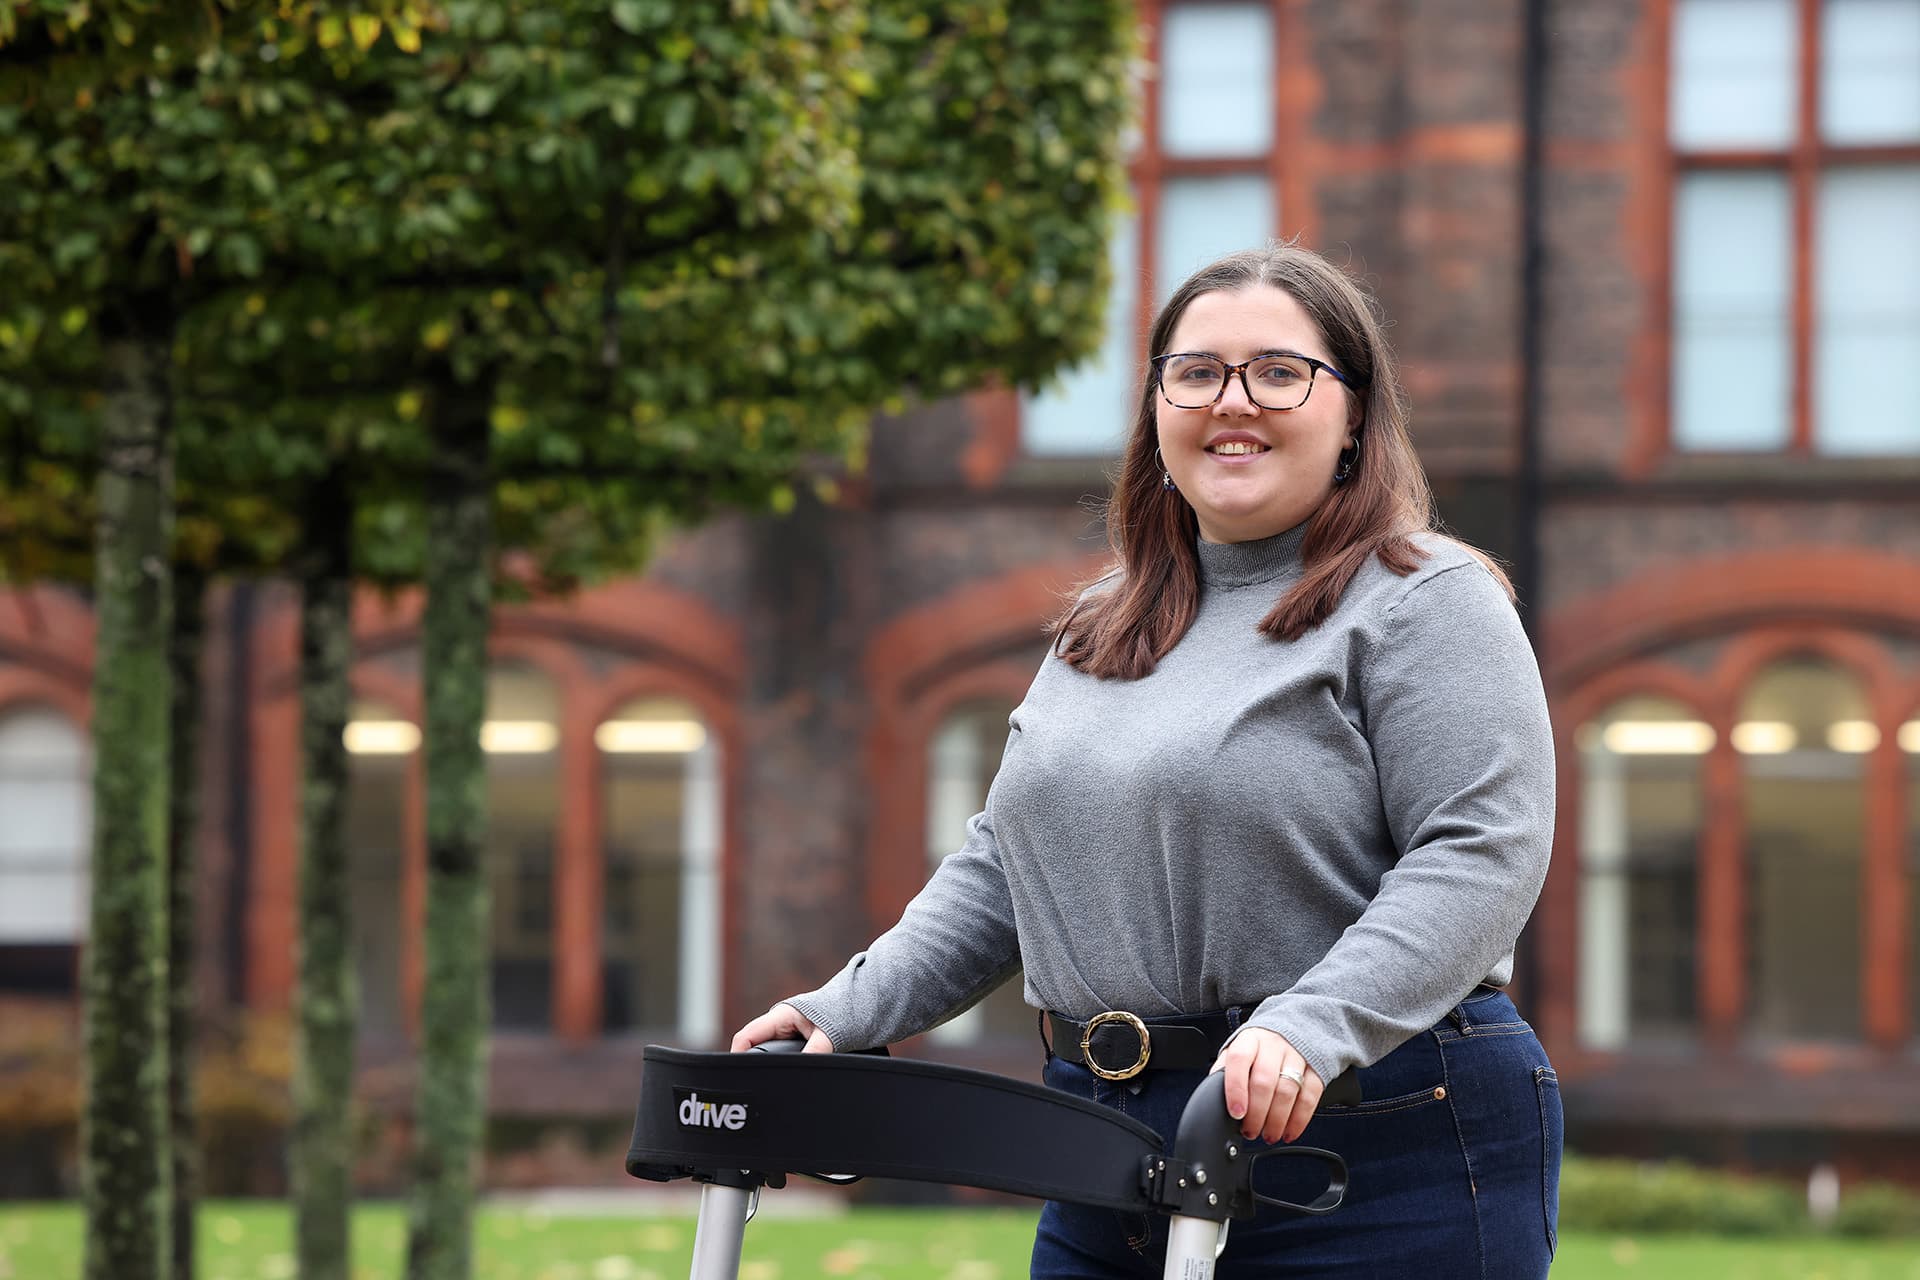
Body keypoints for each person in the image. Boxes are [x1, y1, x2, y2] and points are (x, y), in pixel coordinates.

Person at [731, 242, 1561, 1279]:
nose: (1233, 400)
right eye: (1197, 371)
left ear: (1354, 415)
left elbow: (1482, 848)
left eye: (1279, 370)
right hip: (1106, 1142)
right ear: (1157, 408)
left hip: (1376, 1138)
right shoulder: (1105, 620)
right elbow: (1008, 862)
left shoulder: (1423, 598)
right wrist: (845, 1008)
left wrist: (1312, 1024)